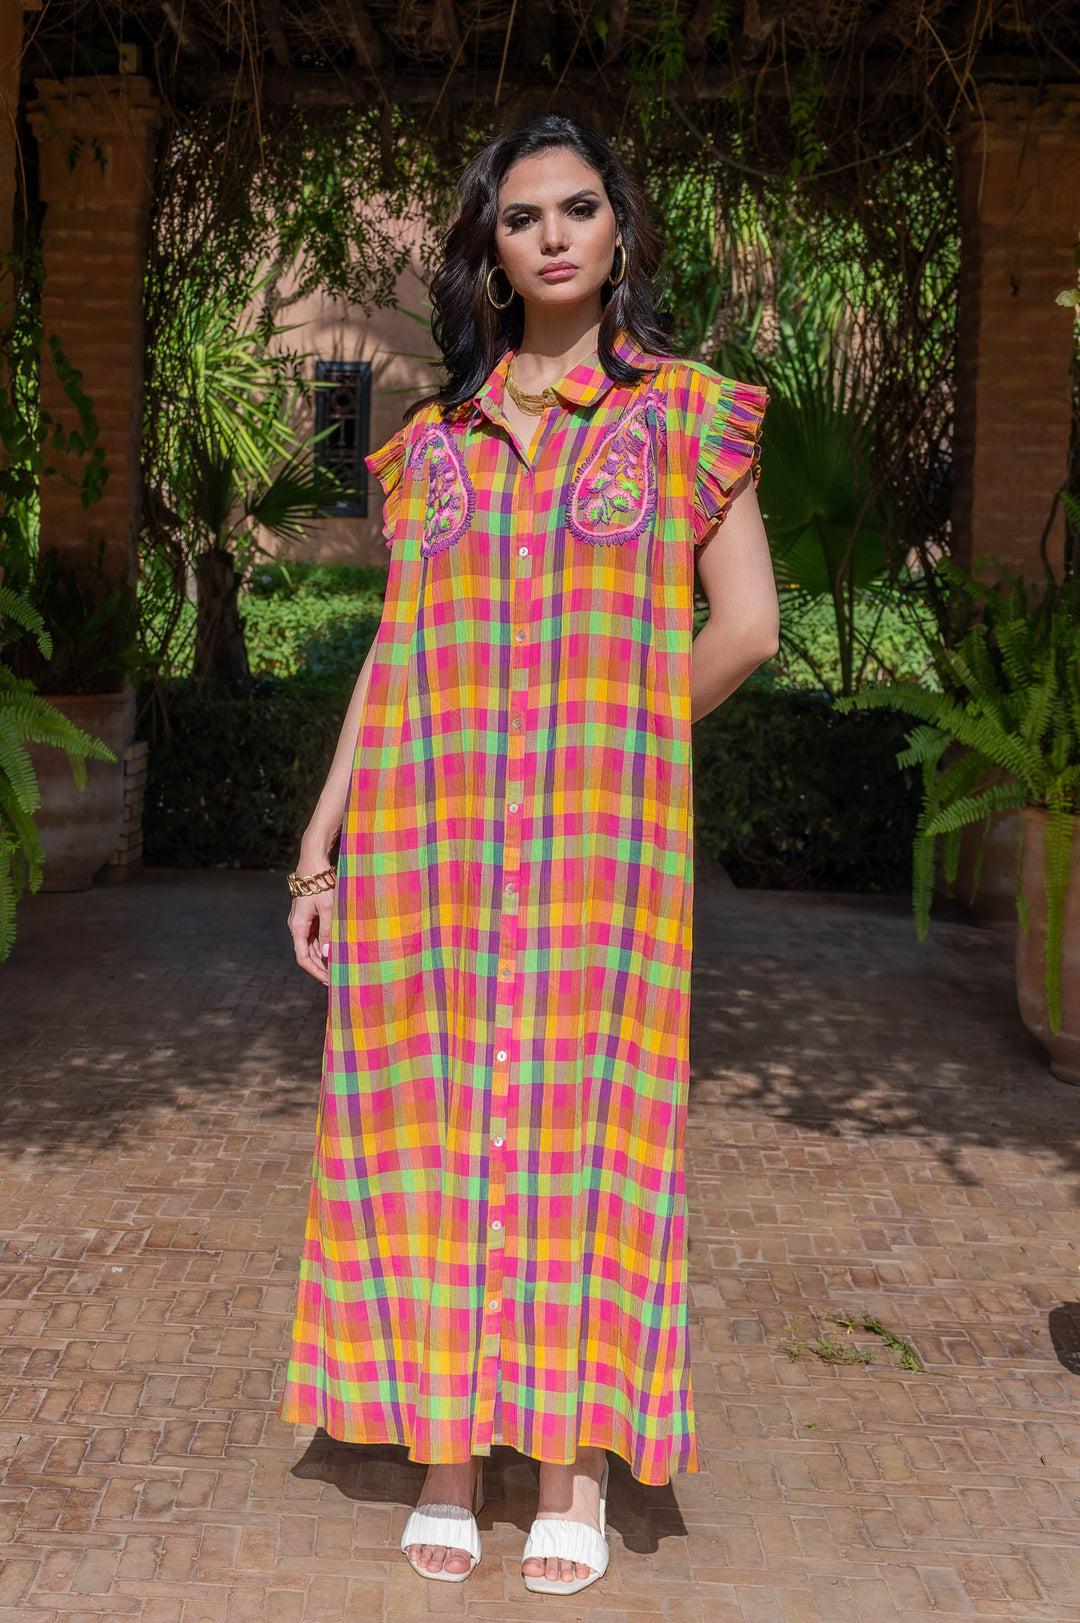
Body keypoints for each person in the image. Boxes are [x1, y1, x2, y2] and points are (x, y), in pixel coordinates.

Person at [280, 113, 779, 1596]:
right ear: (489, 251)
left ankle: (571, 1470)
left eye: (578, 209)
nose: (552, 236)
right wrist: (320, 845)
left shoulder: (683, 418)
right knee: (429, 1131)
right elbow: (395, 657)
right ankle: (445, 1458)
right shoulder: (431, 447)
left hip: (596, 858)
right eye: (521, 217)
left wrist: (613, 731)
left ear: (619, 229)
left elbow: (748, 627)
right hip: (427, 851)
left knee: (589, 1132)